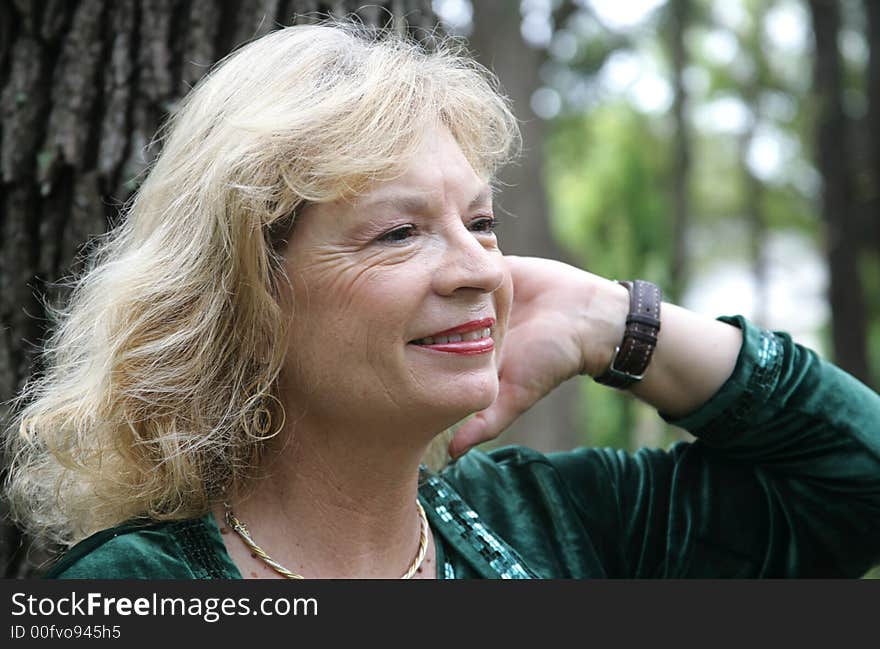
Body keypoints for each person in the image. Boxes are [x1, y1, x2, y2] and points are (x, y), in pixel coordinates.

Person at [5, 20, 880, 580]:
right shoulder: (135, 591)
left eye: (482, 221)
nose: (481, 270)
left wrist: (611, 321)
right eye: (399, 232)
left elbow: (857, 485)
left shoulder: (559, 527)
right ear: (250, 293)